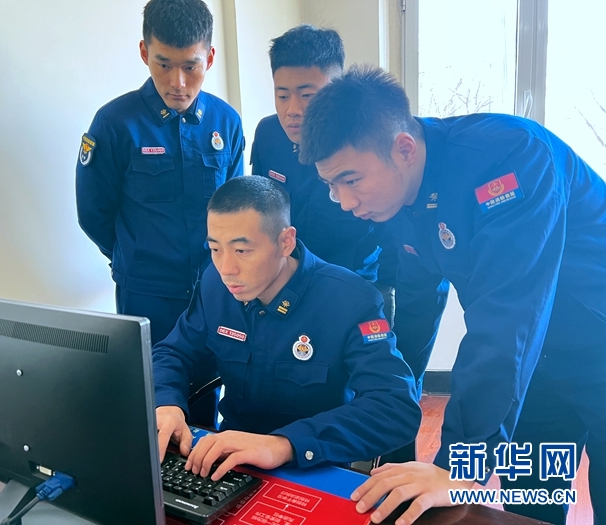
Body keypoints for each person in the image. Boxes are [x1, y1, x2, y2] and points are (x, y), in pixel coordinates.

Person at [298, 65, 606, 525]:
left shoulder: (511, 158)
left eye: (351, 179)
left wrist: (457, 468)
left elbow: (507, 319)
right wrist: (397, 393)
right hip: (535, 368)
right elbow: (418, 302)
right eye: (331, 186)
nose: (344, 201)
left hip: (594, 347)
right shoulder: (399, 201)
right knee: (531, 503)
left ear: (404, 148)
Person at [152, 176, 420, 480]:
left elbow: (395, 408)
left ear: (285, 242)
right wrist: (167, 404)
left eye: (242, 251)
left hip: (313, 464)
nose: (226, 269)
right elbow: (173, 352)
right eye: (215, 249)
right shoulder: (215, 285)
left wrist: (284, 445)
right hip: (229, 460)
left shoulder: (351, 301)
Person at [76, 0, 243, 426]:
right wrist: (134, 258)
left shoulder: (226, 123)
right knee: (151, 404)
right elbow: (93, 213)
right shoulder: (115, 123)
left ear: (209, 58)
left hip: (213, 289)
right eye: (163, 64)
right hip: (146, 294)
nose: (177, 82)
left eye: (190, 66)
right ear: (144, 52)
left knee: (205, 397)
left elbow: (236, 212)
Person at [250, 25, 398, 308]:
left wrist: (382, 296)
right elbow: (261, 212)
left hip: (352, 293)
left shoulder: (366, 143)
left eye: (308, 95)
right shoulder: (269, 135)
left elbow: (394, 241)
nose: (293, 110)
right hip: (287, 289)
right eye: (283, 96)